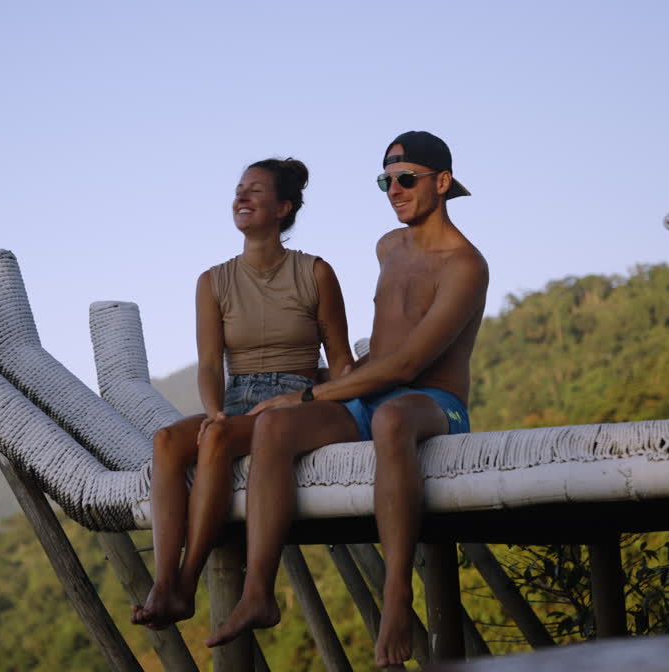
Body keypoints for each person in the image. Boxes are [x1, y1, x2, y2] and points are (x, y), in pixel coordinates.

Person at [205, 131, 488, 669]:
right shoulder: (389, 246)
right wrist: (308, 390)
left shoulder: (465, 265)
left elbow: (408, 365)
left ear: (442, 182)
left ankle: (397, 597)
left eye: (406, 179)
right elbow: (380, 351)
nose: (394, 190)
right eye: (386, 181)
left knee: (392, 421)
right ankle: (259, 592)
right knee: (274, 429)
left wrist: (312, 392)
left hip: (433, 401)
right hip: (370, 394)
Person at [130, 157, 354, 630]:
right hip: (235, 399)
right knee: (168, 441)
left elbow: (340, 365)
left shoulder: (315, 272)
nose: (242, 196)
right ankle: (164, 580)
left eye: (255, 190)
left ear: (283, 208)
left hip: (291, 397)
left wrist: (325, 398)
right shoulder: (213, 281)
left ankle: (186, 585)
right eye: (238, 189)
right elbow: (210, 363)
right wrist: (213, 409)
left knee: (215, 439)